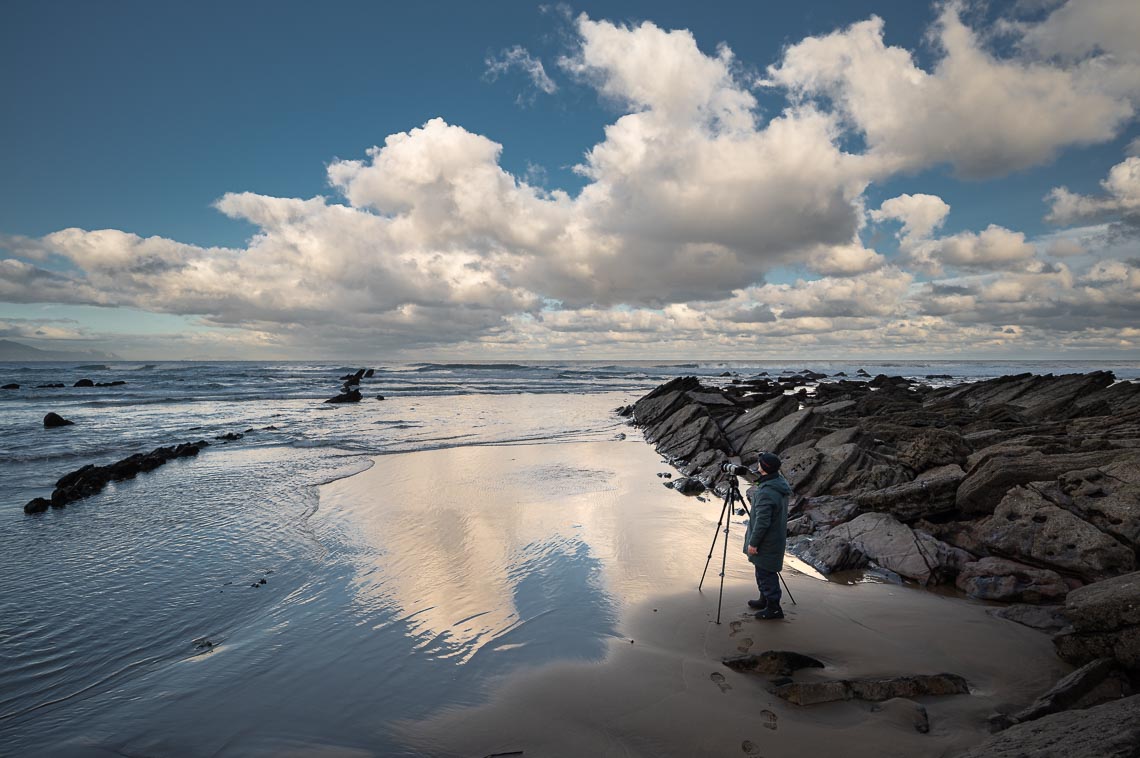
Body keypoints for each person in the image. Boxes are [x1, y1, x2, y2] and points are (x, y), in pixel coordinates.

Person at [724, 452, 792, 620]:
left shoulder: (766, 493)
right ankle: (764, 600)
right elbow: (760, 476)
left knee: (766, 573)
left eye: (760, 463)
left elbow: (762, 522)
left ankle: (774, 608)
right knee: (763, 570)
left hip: (766, 542)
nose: (757, 465)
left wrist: (753, 543)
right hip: (776, 537)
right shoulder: (778, 482)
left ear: (764, 469)